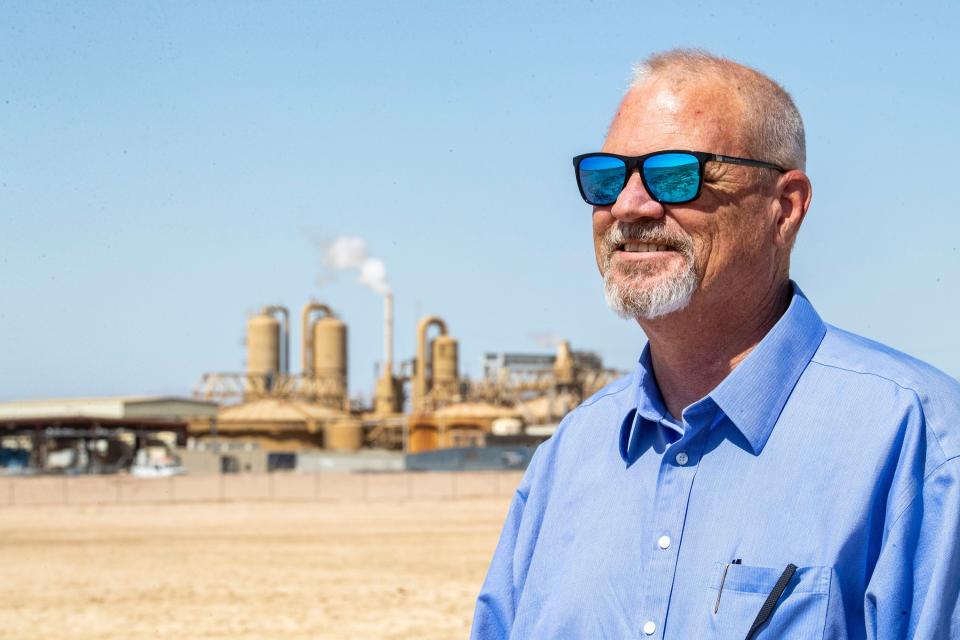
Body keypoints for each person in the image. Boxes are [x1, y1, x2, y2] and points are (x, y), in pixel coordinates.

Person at [470, 49, 960, 639]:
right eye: (606, 178)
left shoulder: (917, 443)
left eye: (675, 174)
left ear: (785, 206)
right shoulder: (569, 458)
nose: (629, 206)